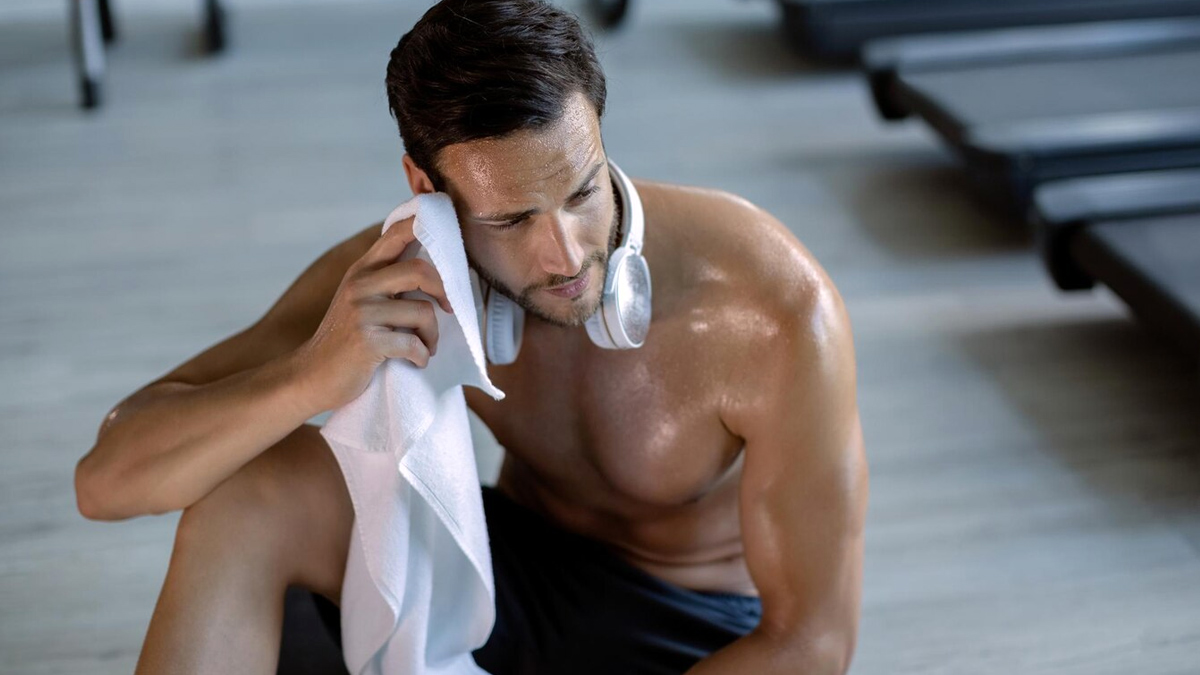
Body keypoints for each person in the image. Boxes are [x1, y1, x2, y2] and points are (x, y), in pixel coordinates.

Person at [74, 1, 868, 673]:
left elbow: (811, 641)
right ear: (426, 187)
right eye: (512, 220)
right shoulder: (399, 270)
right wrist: (310, 379)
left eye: (583, 190)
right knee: (246, 496)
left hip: (689, 631)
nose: (564, 256)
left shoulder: (773, 309)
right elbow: (105, 482)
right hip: (502, 576)